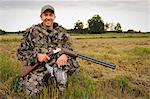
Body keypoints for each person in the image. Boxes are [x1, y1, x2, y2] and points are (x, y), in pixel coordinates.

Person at [17, 4, 79, 96]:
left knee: (61, 92)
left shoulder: (62, 33)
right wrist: (37, 56)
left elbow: (70, 50)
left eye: (50, 15)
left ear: (54, 17)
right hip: (38, 67)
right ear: (41, 17)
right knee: (29, 92)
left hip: (57, 66)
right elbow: (21, 53)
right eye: (46, 15)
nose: (48, 18)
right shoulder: (31, 32)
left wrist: (64, 55)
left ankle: (58, 83)